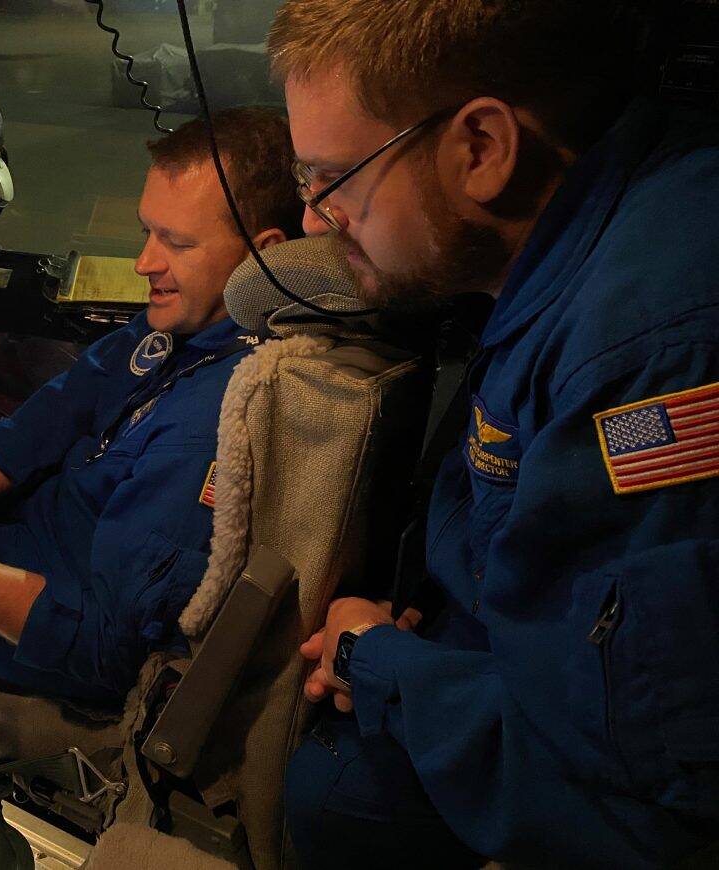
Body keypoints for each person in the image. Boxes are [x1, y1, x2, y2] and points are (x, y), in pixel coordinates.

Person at [269, 1, 719, 867]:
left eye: (334, 178)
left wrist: (380, 663)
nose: (319, 219)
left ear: (481, 148)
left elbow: (642, 804)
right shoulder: (566, 258)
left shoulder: (645, 355)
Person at [0, 107, 301, 703]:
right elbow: (45, 424)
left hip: (61, 598)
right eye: (147, 232)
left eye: (177, 243)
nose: (145, 264)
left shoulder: (213, 425)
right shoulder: (184, 324)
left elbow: (106, 651)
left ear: (262, 255)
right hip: (57, 502)